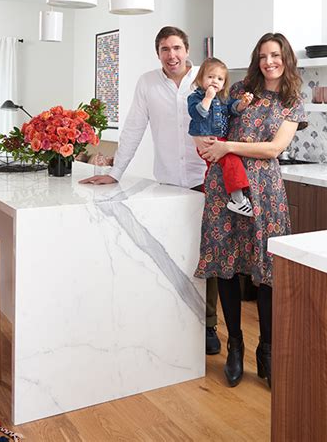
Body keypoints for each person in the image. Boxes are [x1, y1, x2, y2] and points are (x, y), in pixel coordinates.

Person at [79, 26, 222, 355]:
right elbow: (133, 128)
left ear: (187, 50)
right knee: (172, 249)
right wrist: (115, 173)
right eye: (164, 50)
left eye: (176, 48)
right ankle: (173, 318)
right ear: (157, 53)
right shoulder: (147, 83)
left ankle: (209, 325)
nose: (171, 55)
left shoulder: (206, 77)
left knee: (208, 253)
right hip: (169, 182)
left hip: (207, 178)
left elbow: (225, 118)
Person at [194, 32, 307, 388]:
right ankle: (235, 348)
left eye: (275, 55)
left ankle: (268, 350)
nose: (269, 62)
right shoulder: (243, 88)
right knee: (226, 267)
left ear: (286, 59)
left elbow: (273, 149)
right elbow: (212, 114)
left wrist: (227, 146)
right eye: (262, 56)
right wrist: (208, 139)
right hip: (225, 185)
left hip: (265, 191)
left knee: (266, 271)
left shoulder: (293, 102)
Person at [187, 57, 254, 217]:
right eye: (210, 77)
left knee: (213, 169)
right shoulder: (195, 97)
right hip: (207, 142)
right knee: (232, 160)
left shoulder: (223, 99)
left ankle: (207, 192)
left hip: (220, 141)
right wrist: (208, 98)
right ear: (200, 79)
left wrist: (242, 104)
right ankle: (238, 200)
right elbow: (197, 114)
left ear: (224, 83)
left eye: (219, 78)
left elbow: (232, 108)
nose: (214, 81)